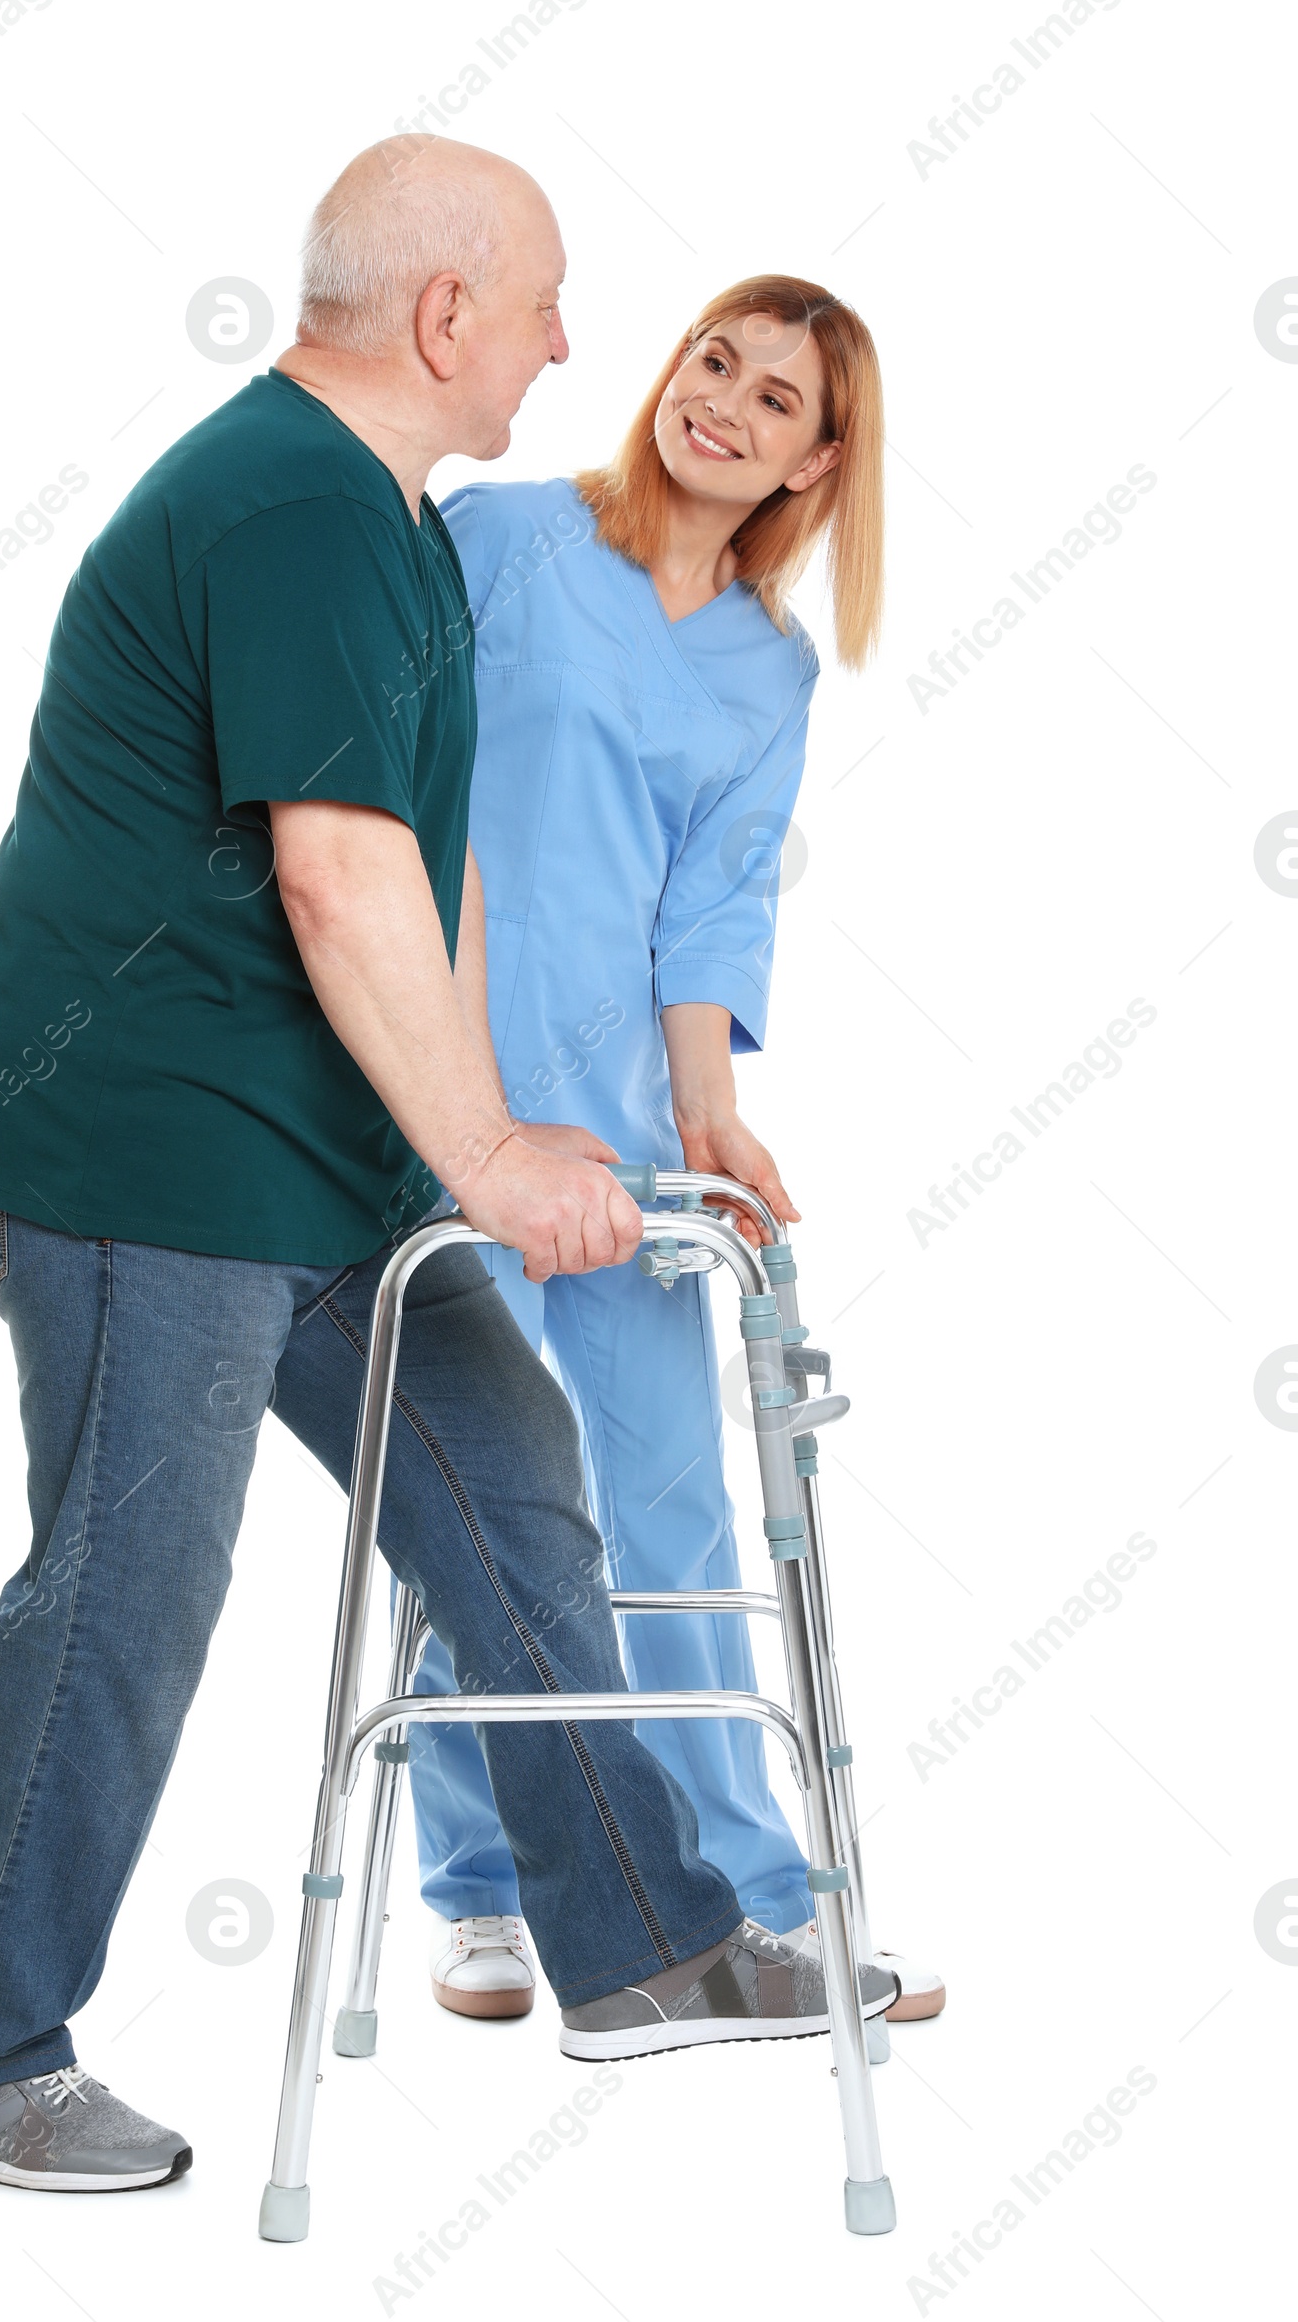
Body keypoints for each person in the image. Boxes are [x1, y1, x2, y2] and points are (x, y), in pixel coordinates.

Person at [0, 140, 897, 2196]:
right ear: (445, 318)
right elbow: (338, 886)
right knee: (130, 1582)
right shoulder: (301, 520)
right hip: (139, 1147)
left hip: (306, 1154)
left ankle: (646, 1937)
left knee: (509, 1484)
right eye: (541, 303)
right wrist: (494, 1157)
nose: (564, 345)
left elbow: (448, 861)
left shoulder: (391, 528)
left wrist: (509, 1146)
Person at [409, 278, 946, 2031]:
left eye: (775, 399)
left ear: (818, 460)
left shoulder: (770, 670)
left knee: (667, 1507)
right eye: (718, 362)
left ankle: (753, 1898)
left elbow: (712, 905)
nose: (724, 404)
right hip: (447, 1110)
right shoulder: (499, 537)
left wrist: (707, 1117)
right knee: (480, 1502)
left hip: (621, 1137)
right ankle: (480, 1889)